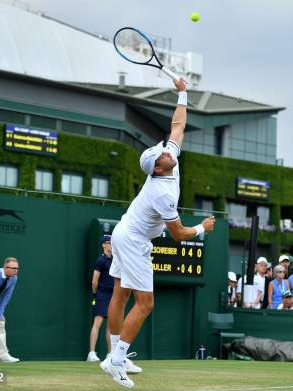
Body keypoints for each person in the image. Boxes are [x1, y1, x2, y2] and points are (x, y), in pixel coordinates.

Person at [102, 78, 216, 389]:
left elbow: (177, 125)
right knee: (145, 303)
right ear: (158, 169)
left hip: (124, 231)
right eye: (162, 155)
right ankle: (116, 360)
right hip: (134, 240)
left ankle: (114, 354)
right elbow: (178, 234)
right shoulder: (162, 193)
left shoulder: (169, 158)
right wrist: (201, 229)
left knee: (120, 294)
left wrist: (182, 91)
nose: (166, 149)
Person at [87, 235, 118, 363]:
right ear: (103, 245)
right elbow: (94, 281)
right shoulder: (100, 260)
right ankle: (91, 353)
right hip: (101, 294)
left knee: (110, 326)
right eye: (109, 243)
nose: (111, 245)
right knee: (97, 323)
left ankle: (110, 354)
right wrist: (96, 294)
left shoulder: (115, 260)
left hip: (113, 295)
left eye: (112, 242)